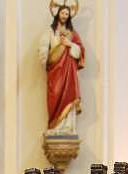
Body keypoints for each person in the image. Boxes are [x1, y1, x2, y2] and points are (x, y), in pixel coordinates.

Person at [38, 3, 85, 134]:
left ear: (69, 16)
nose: (64, 16)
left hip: (69, 72)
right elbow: (43, 45)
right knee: (55, 94)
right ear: (58, 14)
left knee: (69, 96)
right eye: (62, 13)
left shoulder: (72, 34)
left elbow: (79, 52)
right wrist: (43, 55)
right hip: (55, 71)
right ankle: (54, 127)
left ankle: (68, 128)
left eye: (67, 14)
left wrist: (69, 43)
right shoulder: (51, 31)